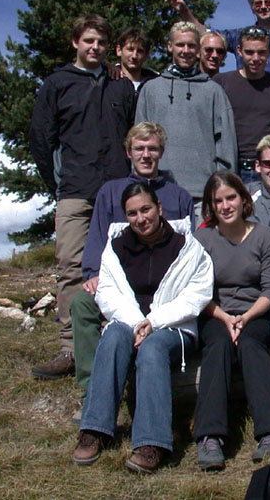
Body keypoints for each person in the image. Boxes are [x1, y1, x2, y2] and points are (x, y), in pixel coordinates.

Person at [71, 183, 213, 473]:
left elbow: (197, 294)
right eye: (132, 213)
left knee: (152, 349)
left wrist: (154, 322)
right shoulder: (116, 247)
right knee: (111, 337)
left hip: (173, 327)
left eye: (146, 209)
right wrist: (138, 323)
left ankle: (152, 442)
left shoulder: (187, 247)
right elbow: (107, 293)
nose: (141, 218)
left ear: (159, 208)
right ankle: (95, 427)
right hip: (130, 321)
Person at [29, 14, 135, 379]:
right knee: (71, 269)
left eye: (101, 43)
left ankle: (116, 341)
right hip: (75, 191)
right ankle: (70, 348)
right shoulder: (57, 84)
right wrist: (58, 183)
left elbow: (134, 134)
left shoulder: (121, 87)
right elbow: (41, 139)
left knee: (119, 267)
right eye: (88, 41)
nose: (95, 48)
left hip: (117, 192)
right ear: (75, 42)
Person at [70, 122, 194, 410]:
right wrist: (93, 274)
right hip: (119, 286)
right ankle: (92, 391)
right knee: (81, 304)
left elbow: (192, 250)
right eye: (139, 148)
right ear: (129, 152)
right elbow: (97, 239)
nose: (146, 154)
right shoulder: (110, 193)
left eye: (152, 148)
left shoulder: (179, 197)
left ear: (161, 152)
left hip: (164, 292)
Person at [193, 171, 270, 471]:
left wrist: (245, 318)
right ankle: (210, 436)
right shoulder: (202, 238)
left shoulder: (264, 236)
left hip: (256, 312)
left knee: (251, 344)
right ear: (211, 206)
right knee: (218, 346)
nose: (225, 206)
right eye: (218, 200)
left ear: (244, 199)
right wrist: (225, 318)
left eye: (231, 198)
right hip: (215, 312)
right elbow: (196, 290)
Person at [134, 22, 237, 217]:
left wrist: (221, 189)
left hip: (202, 197)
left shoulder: (213, 91)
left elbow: (226, 148)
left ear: (198, 49)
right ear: (170, 46)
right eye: (180, 45)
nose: (186, 51)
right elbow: (138, 143)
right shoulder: (151, 90)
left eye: (191, 45)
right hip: (157, 193)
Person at [214, 28, 270, 183]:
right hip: (231, 170)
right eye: (249, 52)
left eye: (261, 52)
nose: (255, 58)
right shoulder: (222, 82)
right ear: (239, 51)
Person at [114, 27, 159, 93]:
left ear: (146, 55)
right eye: (130, 49)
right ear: (119, 50)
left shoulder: (156, 84)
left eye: (140, 51)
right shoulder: (107, 81)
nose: (134, 56)